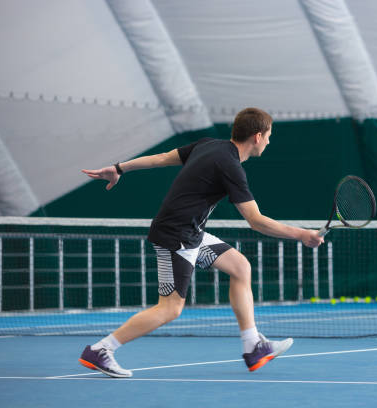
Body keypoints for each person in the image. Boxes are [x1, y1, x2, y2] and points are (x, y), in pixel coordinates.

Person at [78, 107, 324, 377]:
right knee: (170, 309)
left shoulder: (208, 145)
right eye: (268, 135)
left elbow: (161, 159)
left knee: (240, 267)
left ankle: (253, 345)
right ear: (256, 136)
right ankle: (101, 350)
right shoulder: (230, 166)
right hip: (177, 235)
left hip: (190, 232)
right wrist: (302, 234)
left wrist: (118, 168)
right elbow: (256, 221)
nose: (268, 140)